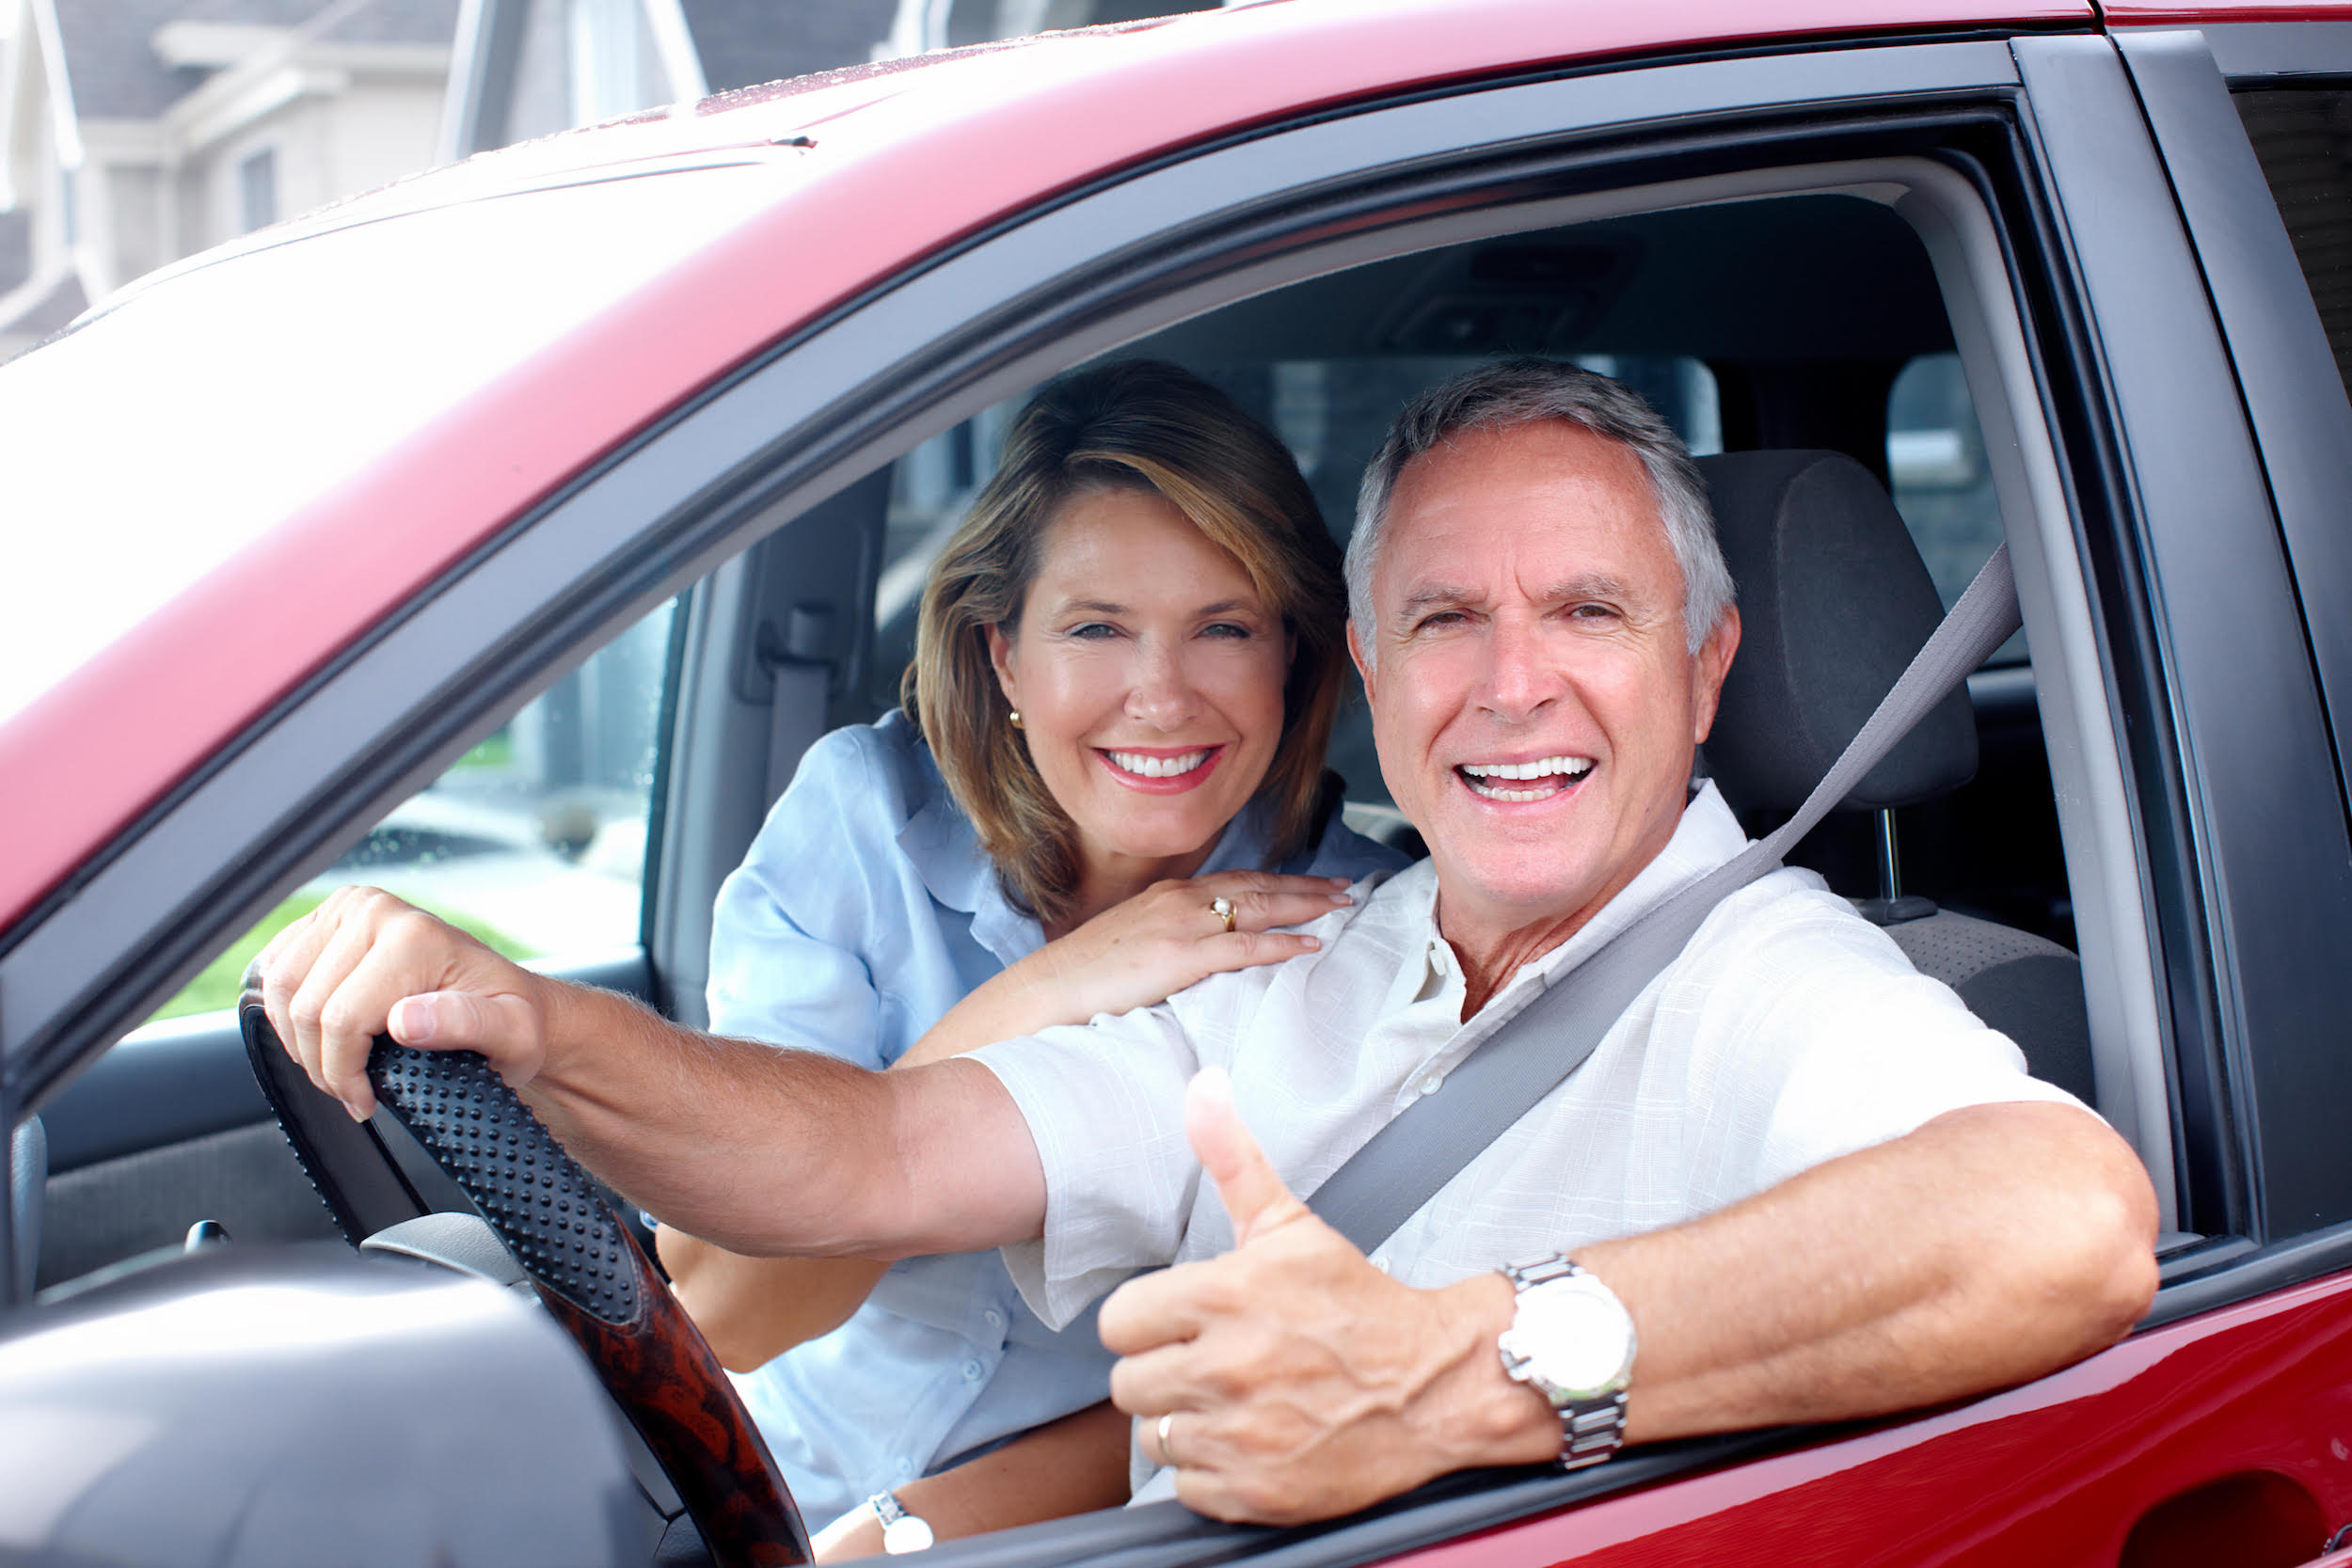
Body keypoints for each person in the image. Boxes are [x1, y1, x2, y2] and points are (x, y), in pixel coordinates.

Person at [259, 358, 2158, 1534]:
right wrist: (531, 1022)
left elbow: (2055, 1216)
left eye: (1584, 608)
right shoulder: (1315, 947)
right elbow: (866, 1157)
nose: (1508, 686)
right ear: (1379, 673)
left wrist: (1445, 1370)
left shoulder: (1770, 981)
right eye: (1440, 618)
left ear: (1705, 665)